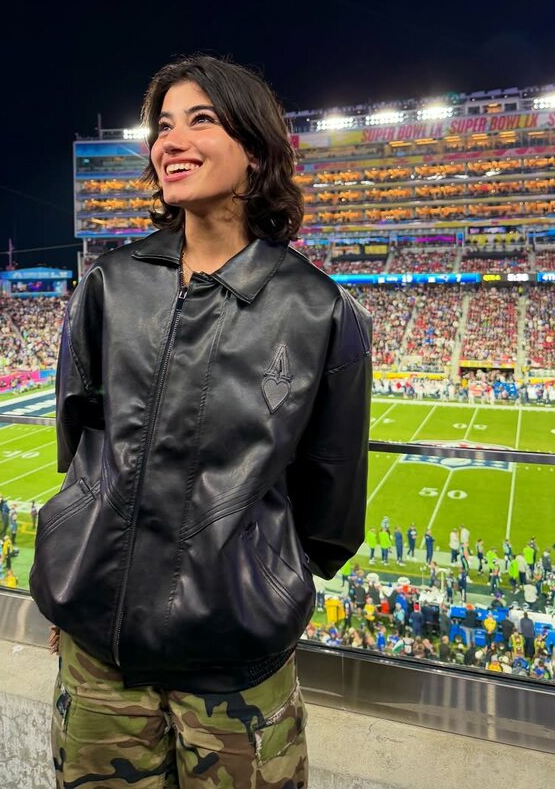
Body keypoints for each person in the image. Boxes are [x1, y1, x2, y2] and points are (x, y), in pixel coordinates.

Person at [29, 55, 372, 786]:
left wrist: (261, 585)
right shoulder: (110, 285)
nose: (171, 141)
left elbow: (332, 504)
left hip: (237, 669)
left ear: (256, 150)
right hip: (99, 656)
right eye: (163, 126)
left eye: (201, 120)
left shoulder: (320, 311)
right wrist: (78, 572)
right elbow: (79, 450)